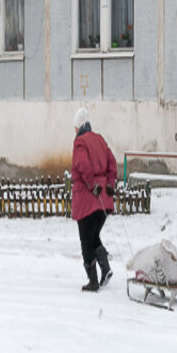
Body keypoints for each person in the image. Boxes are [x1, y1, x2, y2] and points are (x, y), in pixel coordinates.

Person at [71, 106, 118, 292]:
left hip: (88, 199)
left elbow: (82, 165)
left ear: (78, 127)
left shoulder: (80, 143)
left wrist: (92, 185)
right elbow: (112, 163)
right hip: (103, 201)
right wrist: (110, 185)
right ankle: (105, 269)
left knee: (86, 241)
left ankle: (93, 281)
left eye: (74, 127)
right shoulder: (99, 139)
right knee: (93, 236)